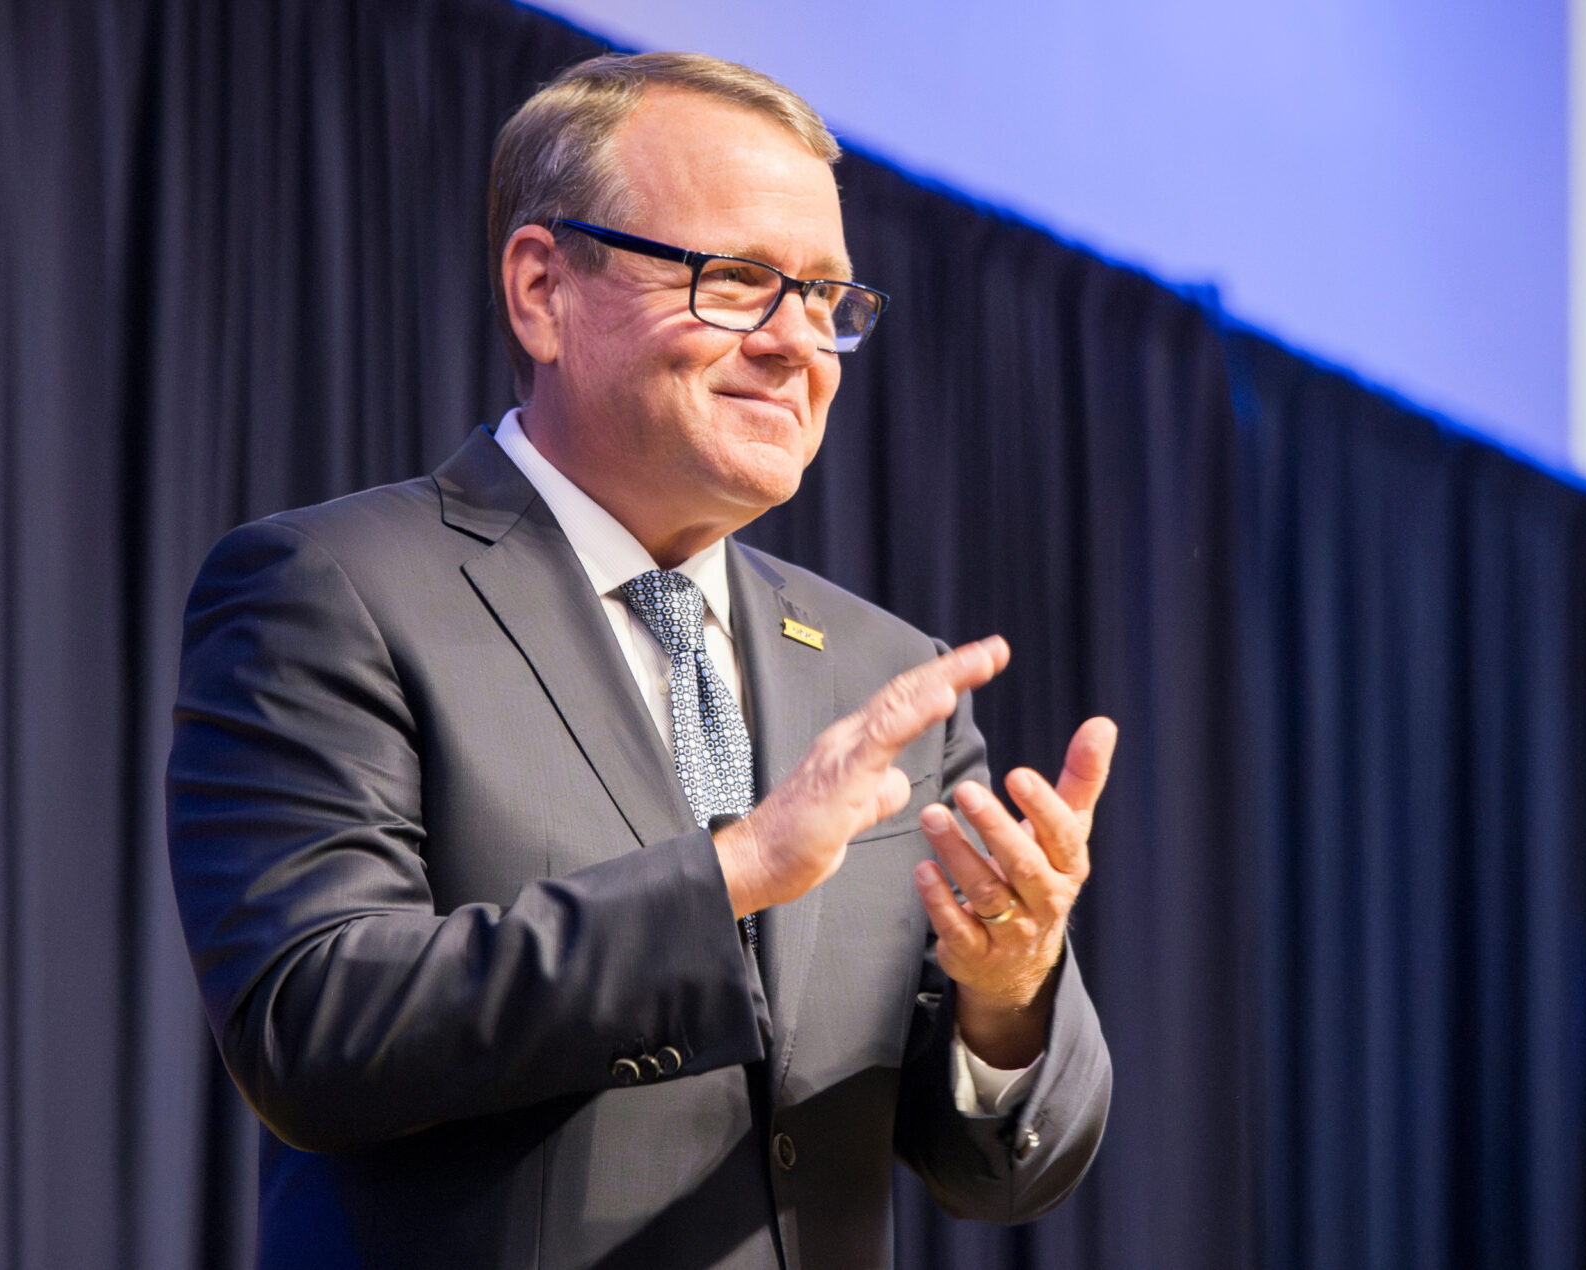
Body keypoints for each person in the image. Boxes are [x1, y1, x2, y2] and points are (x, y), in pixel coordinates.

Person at [167, 51, 1116, 1270]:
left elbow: (1001, 1167)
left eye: (827, 300)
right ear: (542, 289)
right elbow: (312, 1025)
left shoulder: (885, 675)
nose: (798, 346)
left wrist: (1008, 992)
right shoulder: (333, 587)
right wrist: (734, 870)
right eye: (737, 281)